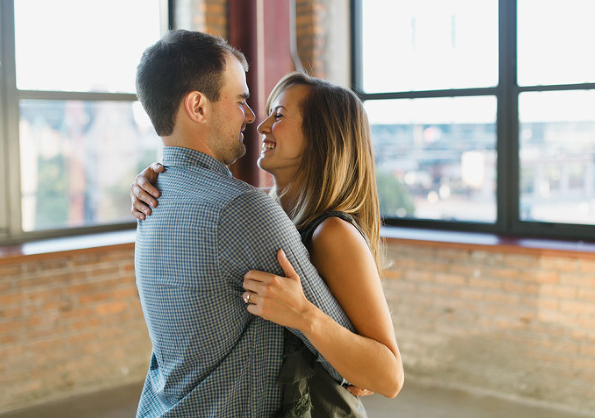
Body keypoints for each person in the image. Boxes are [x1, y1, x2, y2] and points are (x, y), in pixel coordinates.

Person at [132, 70, 404, 415]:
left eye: (279, 115)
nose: (261, 126)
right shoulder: (259, 212)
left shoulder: (333, 234)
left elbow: (389, 377)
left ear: (322, 136)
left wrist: (305, 315)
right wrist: (156, 180)